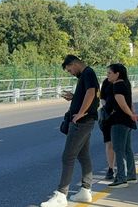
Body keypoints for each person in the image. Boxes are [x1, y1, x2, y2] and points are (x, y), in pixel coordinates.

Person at [41, 55, 100, 207]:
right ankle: (86, 191)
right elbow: (87, 95)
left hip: (81, 122)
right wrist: (74, 98)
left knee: (68, 156)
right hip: (86, 121)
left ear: (74, 63)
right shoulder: (87, 74)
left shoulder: (87, 73)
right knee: (83, 155)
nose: (71, 73)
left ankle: (61, 195)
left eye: (69, 70)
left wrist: (80, 113)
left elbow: (91, 93)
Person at [107, 64, 138, 188]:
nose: (108, 75)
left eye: (110, 73)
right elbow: (130, 101)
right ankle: (131, 176)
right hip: (126, 121)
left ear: (117, 74)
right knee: (127, 149)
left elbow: (121, 102)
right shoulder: (126, 83)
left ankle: (121, 178)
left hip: (119, 120)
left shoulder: (117, 85)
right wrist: (132, 114)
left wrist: (131, 114)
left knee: (118, 149)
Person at [99, 76, 115, 180]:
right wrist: (108, 109)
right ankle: (111, 168)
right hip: (107, 117)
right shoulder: (106, 82)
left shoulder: (123, 83)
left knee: (119, 144)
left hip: (121, 117)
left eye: (110, 72)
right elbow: (102, 98)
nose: (108, 75)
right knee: (109, 143)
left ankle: (123, 168)